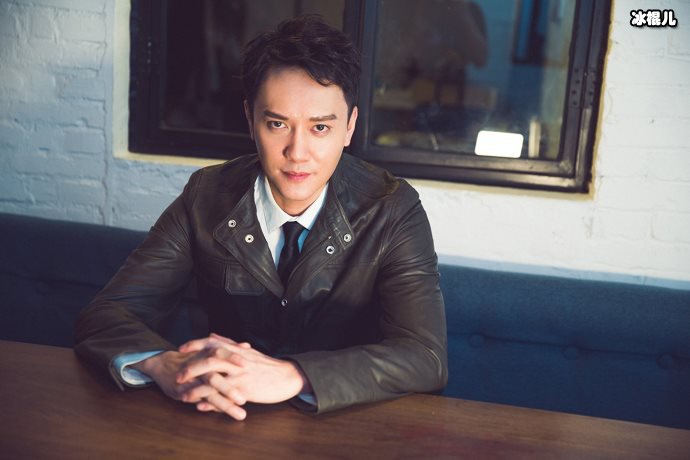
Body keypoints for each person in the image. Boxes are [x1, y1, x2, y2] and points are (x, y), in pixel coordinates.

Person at [75, 15, 447, 421]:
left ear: (349, 127)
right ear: (250, 120)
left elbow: (425, 356)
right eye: (277, 124)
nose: (297, 152)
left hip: (345, 425)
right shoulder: (205, 196)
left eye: (320, 128)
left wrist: (294, 375)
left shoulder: (392, 208)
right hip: (225, 417)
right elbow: (107, 315)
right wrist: (163, 364)